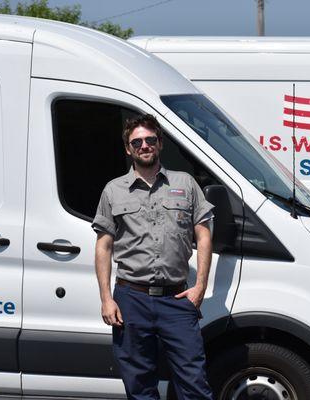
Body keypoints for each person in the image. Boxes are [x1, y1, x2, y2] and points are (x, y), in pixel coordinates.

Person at [92, 114, 215, 400]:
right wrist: (106, 299)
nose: (144, 145)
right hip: (131, 299)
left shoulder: (185, 183)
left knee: (194, 382)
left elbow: (204, 235)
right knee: (139, 385)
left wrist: (201, 287)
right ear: (128, 148)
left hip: (177, 299)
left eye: (150, 140)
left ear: (159, 143)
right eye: (137, 142)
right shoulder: (113, 190)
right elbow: (104, 246)